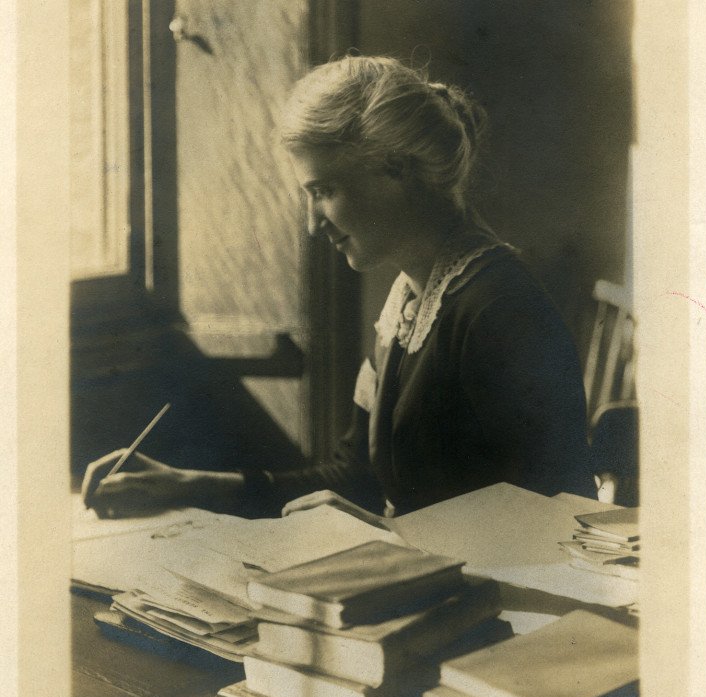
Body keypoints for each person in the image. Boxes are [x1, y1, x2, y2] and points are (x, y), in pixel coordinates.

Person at [82, 56, 594, 521]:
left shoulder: (500, 308)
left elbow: (556, 517)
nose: (313, 224)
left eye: (323, 192)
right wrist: (187, 486)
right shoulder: (409, 303)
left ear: (396, 167)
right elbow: (356, 480)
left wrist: (389, 536)